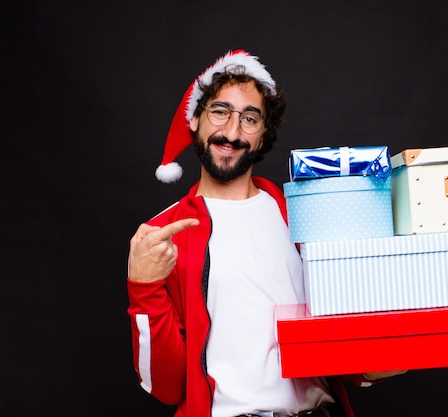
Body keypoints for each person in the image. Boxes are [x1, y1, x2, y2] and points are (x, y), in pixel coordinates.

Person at [126, 50, 405, 417]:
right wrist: (144, 289)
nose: (232, 132)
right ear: (195, 119)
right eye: (220, 112)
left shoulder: (305, 215)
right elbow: (166, 386)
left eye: (250, 118)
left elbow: (344, 339)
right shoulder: (161, 236)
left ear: (263, 135)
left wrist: (374, 367)